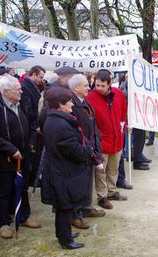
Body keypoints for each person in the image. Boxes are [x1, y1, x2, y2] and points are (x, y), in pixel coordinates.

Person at [41, 86, 93, 249]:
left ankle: (64, 233)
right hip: (62, 173)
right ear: (60, 104)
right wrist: (88, 150)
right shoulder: (60, 125)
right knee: (64, 206)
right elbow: (74, 150)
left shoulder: (55, 119)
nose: (71, 104)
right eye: (69, 101)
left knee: (64, 206)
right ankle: (65, 240)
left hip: (60, 169)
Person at [0, 75, 41, 240]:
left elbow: (31, 124)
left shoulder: (22, 103)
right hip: (5, 158)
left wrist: (30, 143)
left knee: (23, 187)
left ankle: (24, 216)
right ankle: (3, 223)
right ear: (6, 91)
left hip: (24, 155)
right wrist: (10, 149)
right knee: (4, 190)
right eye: (17, 89)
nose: (21, 91)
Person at [68, 74, 106, 228]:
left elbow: (92, 125)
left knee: (87, 182)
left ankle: (86, 207)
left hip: (90, 148)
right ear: (76, 87)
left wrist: (96, 147)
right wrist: (88, 148)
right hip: (81, 150)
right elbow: (78, 130)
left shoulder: (85, 101)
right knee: (78, 184)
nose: (88, 87)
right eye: (85, 85)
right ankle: (76, 214)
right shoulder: (71, 104)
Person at [87, 69, 128, 210]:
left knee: (113, 169)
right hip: (101, 141)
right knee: (100, 171)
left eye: (102, 85)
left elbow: (123, 111)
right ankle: (102, 196)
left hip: (117, 138)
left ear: (109, 84)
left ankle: (111, 190)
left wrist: (124, 124)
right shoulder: (90, 98)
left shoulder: (119, 94)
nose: (99, 88)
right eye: (97, 85)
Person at [20, 65, 46, 186]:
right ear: (33, 74)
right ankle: (28, 180)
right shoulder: (25, 87)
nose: (41, 80)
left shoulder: (32, 86)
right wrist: (35, 125)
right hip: (30, 126)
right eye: (40, 77)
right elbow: (28, 109)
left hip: (32, 125)